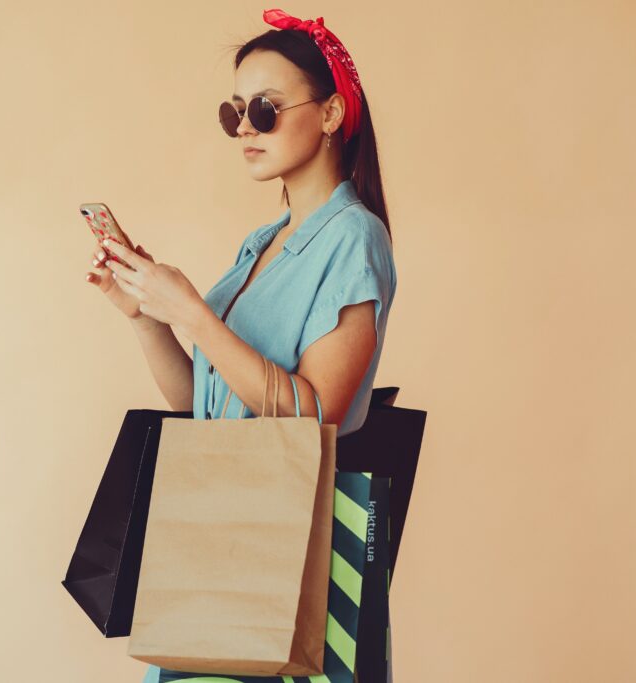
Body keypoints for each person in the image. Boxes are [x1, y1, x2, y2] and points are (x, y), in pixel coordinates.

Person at [84, 9, 397, 682]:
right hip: (218, 535)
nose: (246, 129)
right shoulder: (261, 243)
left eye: (265, 109)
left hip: (288, 548)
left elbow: (317, 418)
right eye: (234, 114)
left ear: (333, 113)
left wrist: (196, 315)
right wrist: (146, 315)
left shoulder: (354, 238)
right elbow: (204, 398)